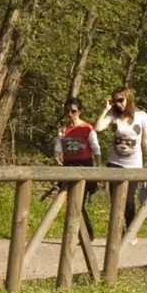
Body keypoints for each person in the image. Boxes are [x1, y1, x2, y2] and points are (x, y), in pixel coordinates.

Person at [96, 87, 147, 226]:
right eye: (115, 100)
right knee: (115, 200)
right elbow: (98, 128)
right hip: (114, 162)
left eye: (121, 100)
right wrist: (106, 109)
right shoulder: (113, 115)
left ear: (129, 99)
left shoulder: (141, 116)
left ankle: (130, 229)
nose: (118, 103)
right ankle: (118, 232)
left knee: (128, 201)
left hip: (134, 164)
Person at [53, 96, 103, 247]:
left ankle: (85, 233)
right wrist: (57, 159)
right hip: (68, 167)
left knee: (78, 202)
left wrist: (98, 169)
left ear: (79, 112)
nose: (70, 114)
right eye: (68, 111)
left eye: (73, 111)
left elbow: (96, 149)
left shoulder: (87, 129)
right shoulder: (63, 131)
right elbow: (57, 149)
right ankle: (80, 233)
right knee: (70, 202)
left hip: (85, 167)